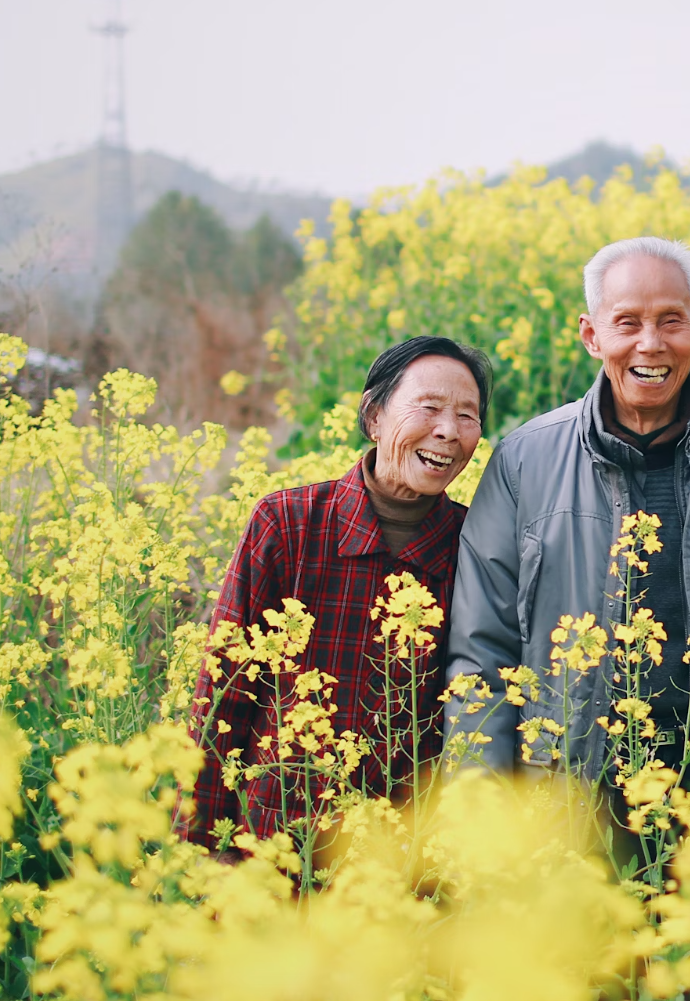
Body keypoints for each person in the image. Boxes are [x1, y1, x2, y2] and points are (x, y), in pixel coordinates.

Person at [444, 236, 690, 788]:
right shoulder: (523, 462)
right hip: (568, 803)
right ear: (591, 334)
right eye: (627, 322)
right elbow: (482, 654)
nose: (650, 345)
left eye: (671, 321)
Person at [178, 336, 491, 851]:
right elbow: (221, 699)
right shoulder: (286, 525)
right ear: (373, 416)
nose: (448, 431)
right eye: (430, 408)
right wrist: (195, 856)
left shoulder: (476, 545)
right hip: (272, 851)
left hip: (398, 870)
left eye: (467, 416)